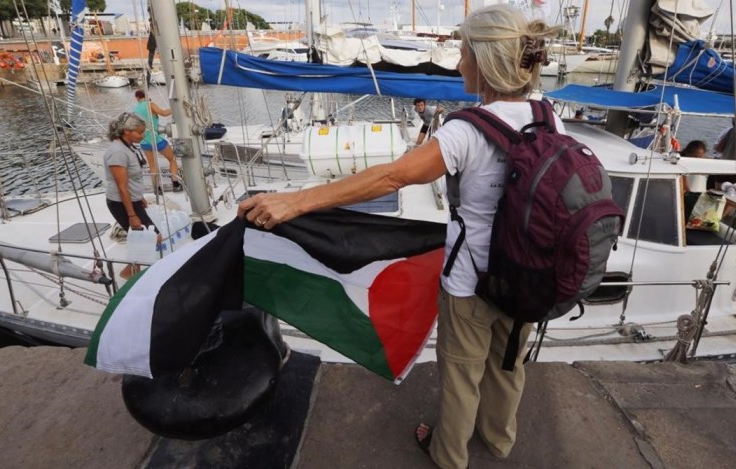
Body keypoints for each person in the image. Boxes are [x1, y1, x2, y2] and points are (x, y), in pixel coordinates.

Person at [238, 5, 559, 468]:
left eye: (464, 54)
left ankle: (449, 455)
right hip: (529, 275)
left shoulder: (466, 130)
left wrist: (296, 202)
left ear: (485, 62)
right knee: (509, 365)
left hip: (472, 283)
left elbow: (392, 177)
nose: (458, 64)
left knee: (462, 375)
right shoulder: (549, 118)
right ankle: (499, 440)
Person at [104, 113, 160, 279]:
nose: (142, 136)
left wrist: (139, 196)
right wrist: (131, 215)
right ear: (126, 131)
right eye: (139, 132)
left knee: (145, 237)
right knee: (151, 237)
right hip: (120, 203)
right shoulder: (117, 152)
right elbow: (121, 186)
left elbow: (130, 179)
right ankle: (129, 273)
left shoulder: (127, 147)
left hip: (131, 200)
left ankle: (133, 271)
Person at [133, 89, 182, 192]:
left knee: (152, 165)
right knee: (172, 159)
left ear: (137, 98)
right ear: (146, 96)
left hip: (144, 141)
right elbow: (163, 113)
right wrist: (176, 108)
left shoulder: (135, 109)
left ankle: (157, 188)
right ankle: (175, 184)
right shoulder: (150, 104)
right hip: (156, 139)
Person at [680, 140, 708, 221]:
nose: (698, 159)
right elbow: (685, 185)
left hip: (695, 193)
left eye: (700, 157)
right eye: (695, 156)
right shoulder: (681, 163)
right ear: (687, 153)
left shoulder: (701, 164)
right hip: (686, 193)